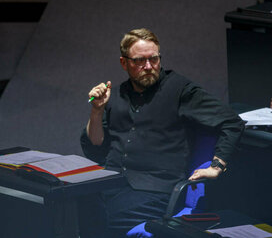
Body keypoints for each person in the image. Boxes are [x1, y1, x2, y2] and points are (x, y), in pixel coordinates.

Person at [79, 28, 244, 237]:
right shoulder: (118, 94)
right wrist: (97, 111)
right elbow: (95, 144)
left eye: (154, 59)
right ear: (124, 63)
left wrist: (217, 165)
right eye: (140, 61)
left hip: (154, 191)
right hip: (111, 183)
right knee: (71, 208)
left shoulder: (180, 90)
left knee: (104, 219)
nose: (148, 66)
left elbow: (232, 122)